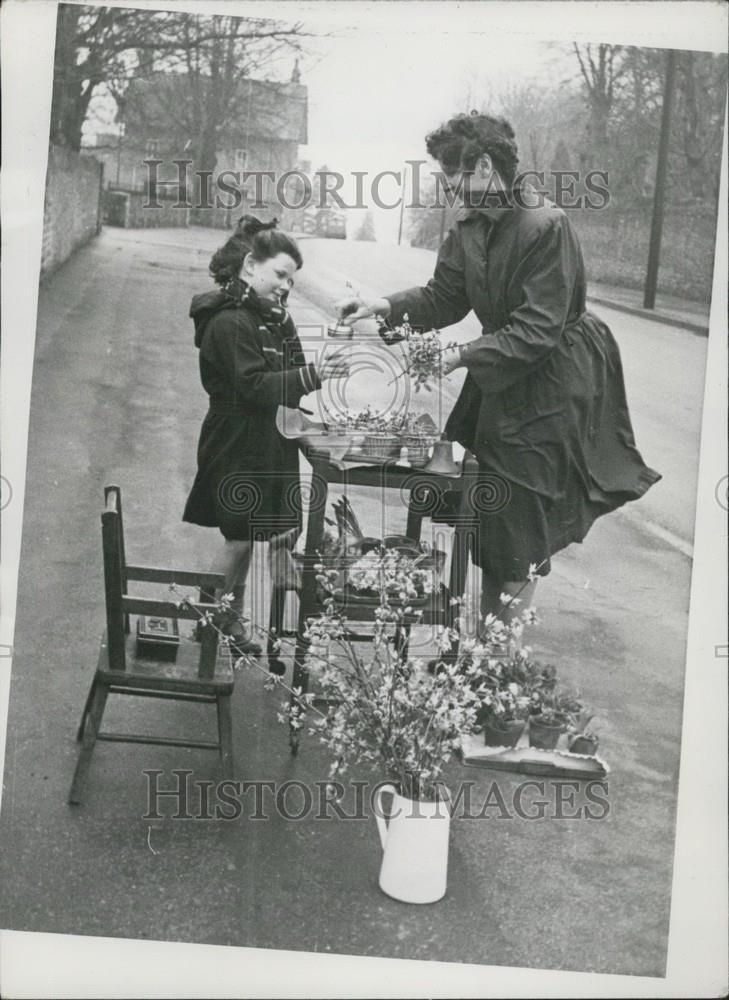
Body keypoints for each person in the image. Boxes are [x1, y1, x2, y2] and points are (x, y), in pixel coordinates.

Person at [336, 112, 661, 629]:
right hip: (504, 378)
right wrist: (383, 304)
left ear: (484, 166)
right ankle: (488, 649)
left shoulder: (545, 226)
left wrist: (462, 355)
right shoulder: (470, 226)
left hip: (553, 385)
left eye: (452, 179)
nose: (449, 192)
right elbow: (444, 296)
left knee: (519, 525)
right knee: (495, 522)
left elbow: (537, 331)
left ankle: (498, 659)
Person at [183, 216, 347, 657]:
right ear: (250, 266)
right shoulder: (228, 322)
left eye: (291, 280)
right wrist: (311, 375)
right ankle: (209, 620)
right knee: (238, 537)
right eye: (279, 275)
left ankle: (224, 619)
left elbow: (288, 370)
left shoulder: (267, 317)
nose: (285, 287)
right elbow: (254, 386)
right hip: (236, 439)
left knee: (250, 534)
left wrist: (312, 414)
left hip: (263, 438)